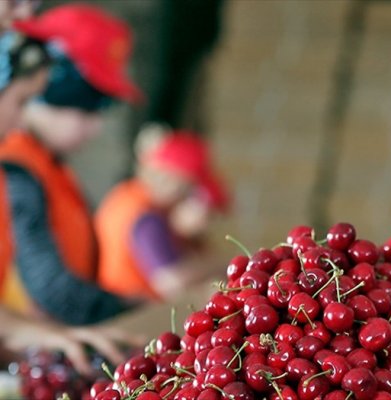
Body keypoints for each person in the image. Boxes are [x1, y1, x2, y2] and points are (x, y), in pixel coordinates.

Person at [0, 4, 142, 326]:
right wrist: (129, 308)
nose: (95, 127)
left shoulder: (51, 167)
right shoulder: (18, 168)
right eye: (87, 108)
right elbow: (49, 285)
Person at [96, 125, 230, 300]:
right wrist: (223, 264)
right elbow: (170, 281)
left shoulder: (128, 194)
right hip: (128, 312)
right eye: (190, 189)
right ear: (173, 180)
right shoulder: (147, 217)